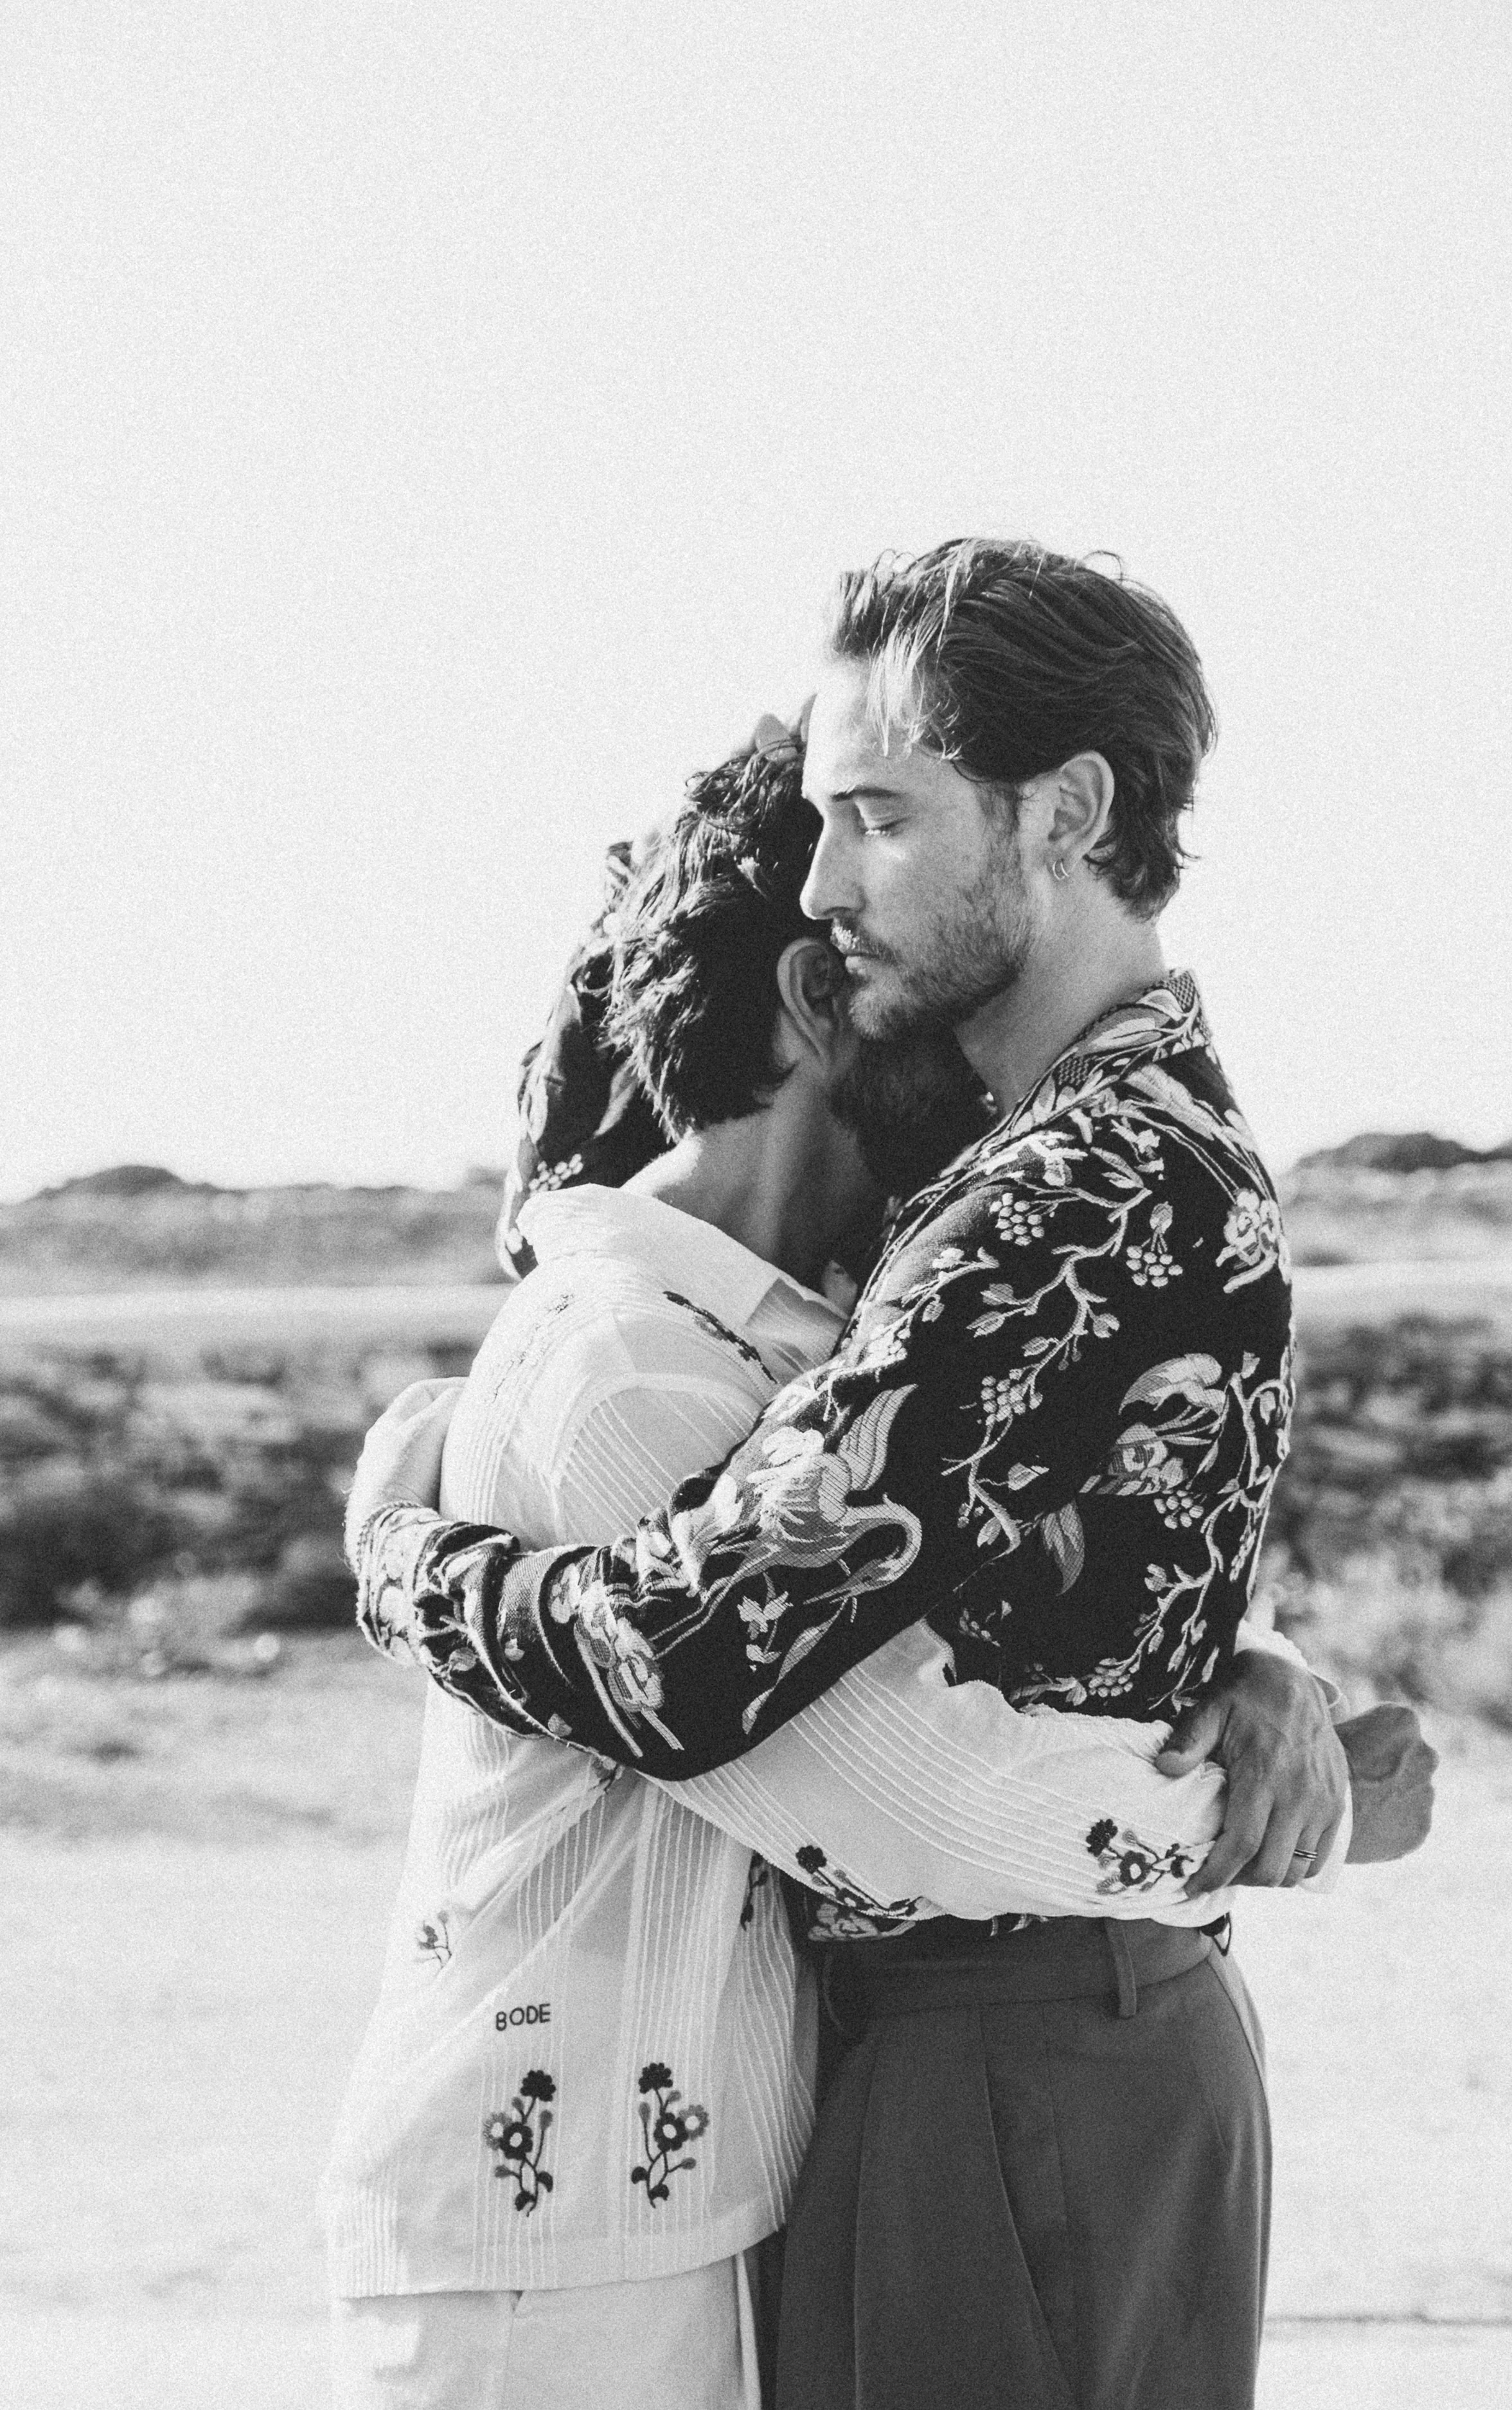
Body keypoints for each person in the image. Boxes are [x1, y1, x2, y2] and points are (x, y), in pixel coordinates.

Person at [346, 541, 1436, 2408]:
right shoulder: (1044, 1160)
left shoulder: (1065, 1184)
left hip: (1003, 2045)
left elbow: (695, 1666)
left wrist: (397, 1562)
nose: (832, 883)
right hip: (1011, 2043)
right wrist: (1255, 1659)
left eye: (878, 819)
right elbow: (1001, 1550)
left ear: (1065, 813)